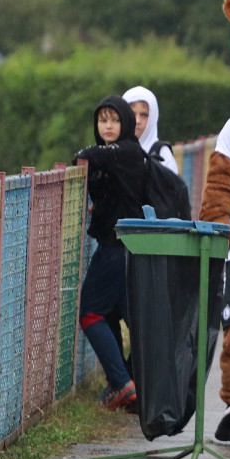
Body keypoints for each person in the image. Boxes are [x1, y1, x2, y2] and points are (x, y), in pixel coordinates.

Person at [73, 95, 146, 409]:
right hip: (120, 245)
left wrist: (86, 156)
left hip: (119, 247)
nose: (108, 126)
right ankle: (135, 384)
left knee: (90, 312)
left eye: (115, 120)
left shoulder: (128, 151)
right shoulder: (116, 156)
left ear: (125, 124)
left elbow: (85, 155)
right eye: (103, 120)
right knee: (132, 318)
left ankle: (122, 383)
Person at [122, 85, 178, 174]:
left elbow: (172, 186)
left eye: (144, 115)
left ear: (152, 117)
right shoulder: (113, 150)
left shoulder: (162, 153)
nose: (137, 121)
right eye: (132, 114)